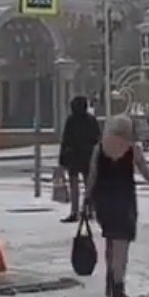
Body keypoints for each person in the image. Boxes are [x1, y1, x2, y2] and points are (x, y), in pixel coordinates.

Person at [85, 114, 149, 297]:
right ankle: (118, 286)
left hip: (104, 202)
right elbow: (147, 174)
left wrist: (87, 199)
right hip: (124, 201)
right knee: (121, 246)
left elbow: (92, 176)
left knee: (110, 241)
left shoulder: (99, 149)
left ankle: (109, 281)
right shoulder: (132, 150)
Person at [58, 95, 100, 223]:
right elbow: (97, 139)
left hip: (74, 157)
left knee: (74, 186)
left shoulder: (71, 120)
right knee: (89, 185)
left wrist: (62, 157)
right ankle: (90, 210)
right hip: (88, 157)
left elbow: (66, 140)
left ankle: (74, 211)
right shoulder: (91, 120)